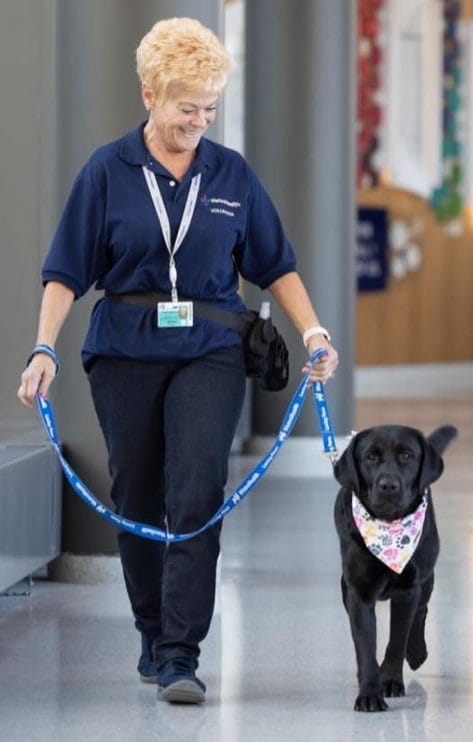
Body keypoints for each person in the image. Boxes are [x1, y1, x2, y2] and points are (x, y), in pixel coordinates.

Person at [17, 17, 338, 704]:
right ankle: (150, 627)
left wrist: (313, 333)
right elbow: (65, 270)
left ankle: (180, 652)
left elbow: (275, 264)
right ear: (149, 96)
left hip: (210, 350)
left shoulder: (230, 174)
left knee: (195, 490)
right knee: (137, 490)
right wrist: (43, 348)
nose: (197, 120)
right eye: (185, 105)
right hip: (124, 350)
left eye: (208, 108)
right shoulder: (108, 170)